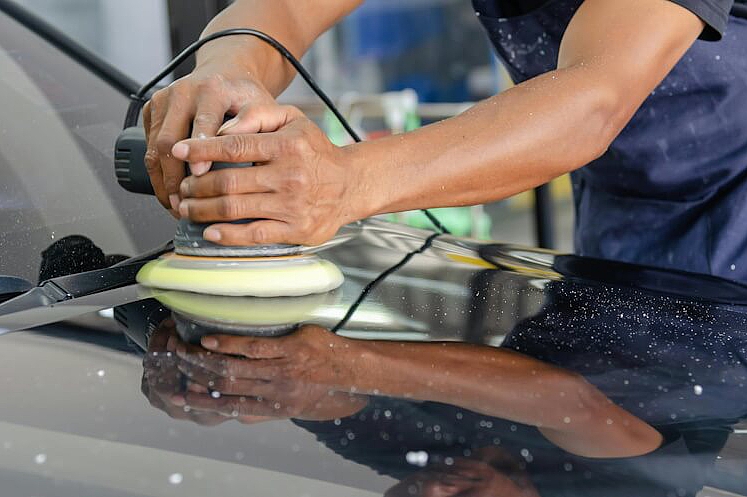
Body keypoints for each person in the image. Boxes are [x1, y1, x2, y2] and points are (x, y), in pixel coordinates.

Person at [143, 0, 747, 280]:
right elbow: (281, 13)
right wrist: (225, 73)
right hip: (622, 206)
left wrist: (344, 182)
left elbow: (592, 101)